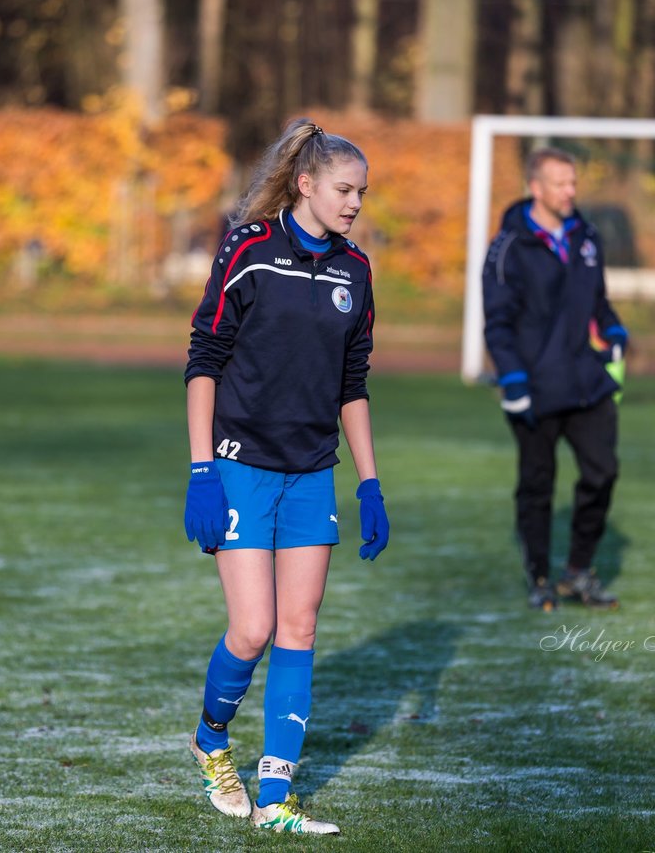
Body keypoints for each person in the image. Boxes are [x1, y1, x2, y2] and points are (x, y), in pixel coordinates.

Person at [182, 117, 390, 834]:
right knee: (254, 627)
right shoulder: (247, 252)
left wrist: (369, 483)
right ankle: (210, 742)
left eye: (362, 191)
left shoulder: (355, 272)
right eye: (343, 188)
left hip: (310, 474)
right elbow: (204, 361)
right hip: (239, 469)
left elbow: (352, 385)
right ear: (305, 185)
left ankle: (275, 799)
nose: (355, 202)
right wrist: (200, 470)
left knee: (299, 627)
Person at [481, 146, 627, 612]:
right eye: (561, 183)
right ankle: (540, 577)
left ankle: (578, 572)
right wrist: (514, 380)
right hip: (535, 387)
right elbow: (497, 324)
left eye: (574, 182)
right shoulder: (507, 247)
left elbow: (598, 302)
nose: (571, 191)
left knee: (603, 471)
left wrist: (613, 329)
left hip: (586, 381)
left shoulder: (587, 236)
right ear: (535, 188)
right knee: (537, 485)